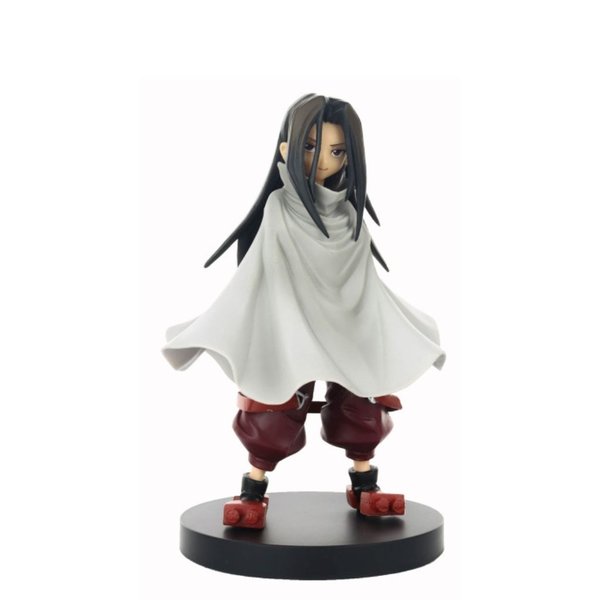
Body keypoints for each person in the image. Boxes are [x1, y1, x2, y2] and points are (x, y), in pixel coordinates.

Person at [163, 94, 445, 528]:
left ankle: (365, 483)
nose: (324, 160)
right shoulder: (279, 209)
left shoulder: (350, 217)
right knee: (272, 411)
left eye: (337, 151)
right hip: (289, 326)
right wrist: (280, 322)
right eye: (311, 147)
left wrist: (369, 325)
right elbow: (267, 269)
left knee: (363, 406)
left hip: (348, 327)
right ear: (287, 149)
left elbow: (362, 281)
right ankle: (253, 489)